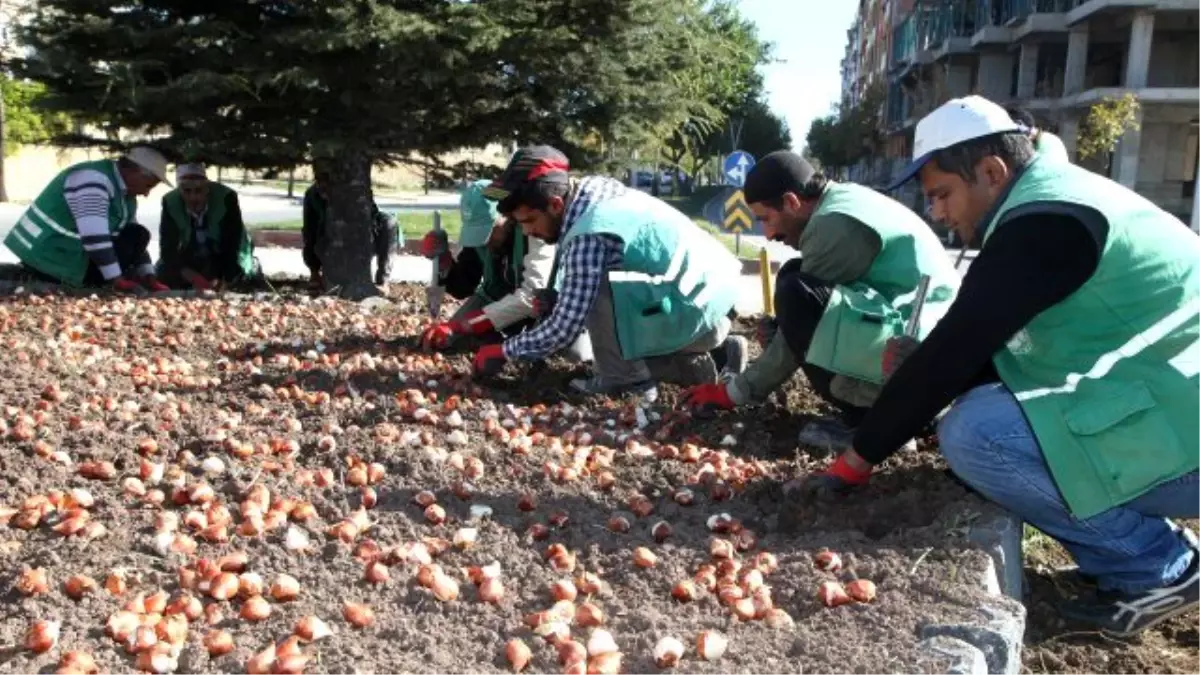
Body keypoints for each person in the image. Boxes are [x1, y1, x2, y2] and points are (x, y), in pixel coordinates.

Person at [795, 94, 1200, 637]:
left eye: (942, 194)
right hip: (1174, 408)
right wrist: (929, 375)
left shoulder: (1043, 222)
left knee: (978, 436)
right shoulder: (1057, 196)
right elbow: (989, 352)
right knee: (985, 411)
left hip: (1186, 434)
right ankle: (1139, 548)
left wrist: (855, 460)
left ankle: (1155, 566)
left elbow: (953, 355)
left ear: (991, 171)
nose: (937, 212)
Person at [681, 151, 961, 448]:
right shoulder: (843, 199)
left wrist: (732, 392)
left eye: (767, 219)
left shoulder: (833, 225)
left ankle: (874, 424)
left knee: (796, 293)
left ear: (791, 202)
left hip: (916, 363)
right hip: (922, 348)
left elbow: (805, 320)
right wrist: (783, 326)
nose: (769, 233)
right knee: (794, 279)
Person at [471, 145, 748, 396]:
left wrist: (504, 350)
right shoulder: (592, 190)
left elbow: (563, 330)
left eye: (530, 221)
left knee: (601, 290)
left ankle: (627, 382)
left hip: (692, 312)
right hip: (712, 302)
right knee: (595, 297)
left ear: (555, 204)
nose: (527, 231)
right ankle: (717, 354)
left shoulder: (588, 234)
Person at [418, 179, 592, 360]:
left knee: (574, 355)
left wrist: (465, 325)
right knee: (450, 339)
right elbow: (464, 286)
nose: (484, 240)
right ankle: (500, 339)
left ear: (508, 216)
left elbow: (529, 297)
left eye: (490, 230)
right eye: (476, 232)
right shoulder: (479, 239)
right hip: (496, 297)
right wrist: (445, 261)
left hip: (547, 303)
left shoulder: (533, 229)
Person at [4, 146, 172, 292]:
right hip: (50, 256)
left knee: (136, 234)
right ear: (134, 171)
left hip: (67, 255)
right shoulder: (93, 180)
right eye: (148, 185)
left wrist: (148, 275)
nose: (146, 193)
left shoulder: (126, 195)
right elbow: (95, 238)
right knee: (135, 234)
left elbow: (134, 240)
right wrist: (116, 280)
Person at [156, 163, 260, 291]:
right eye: (187, 191)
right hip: (190, 252)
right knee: (164, 273)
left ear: (207, 188)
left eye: (198, 190)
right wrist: (190, 276)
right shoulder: (170, 202)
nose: (193, 197)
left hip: (220, 252)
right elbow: (167, 247)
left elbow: (232, 243)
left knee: (234, 276)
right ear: (179, 191)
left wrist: (224, 278)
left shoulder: (227, 198)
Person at [302, 170, 399, 289]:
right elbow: (309, 231)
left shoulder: (355, 189)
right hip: (328, 240)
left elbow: (372, 215)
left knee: (389, 222)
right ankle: (319, 275)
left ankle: (383, 280)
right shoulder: (312, 195)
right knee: (318, 228)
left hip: (364, 237)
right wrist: (314, 270)